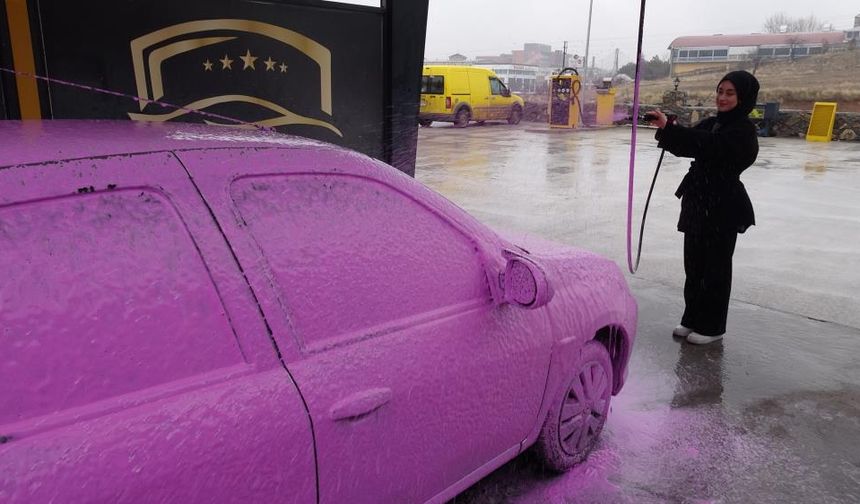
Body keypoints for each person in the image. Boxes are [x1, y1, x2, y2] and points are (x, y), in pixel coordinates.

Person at [646, 70, 760, 345]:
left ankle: (712, 326)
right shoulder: (711, 123)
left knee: (716, 270)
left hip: (723, 206)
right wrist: (666, 127)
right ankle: (692, 318)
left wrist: (674, 131)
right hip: (698, 203)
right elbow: (687, 143)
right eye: (720, 91)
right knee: (694, 266)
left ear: (743, 97)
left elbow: (711, 146)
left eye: (729, 93)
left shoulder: (743, 131)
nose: (722, 98)